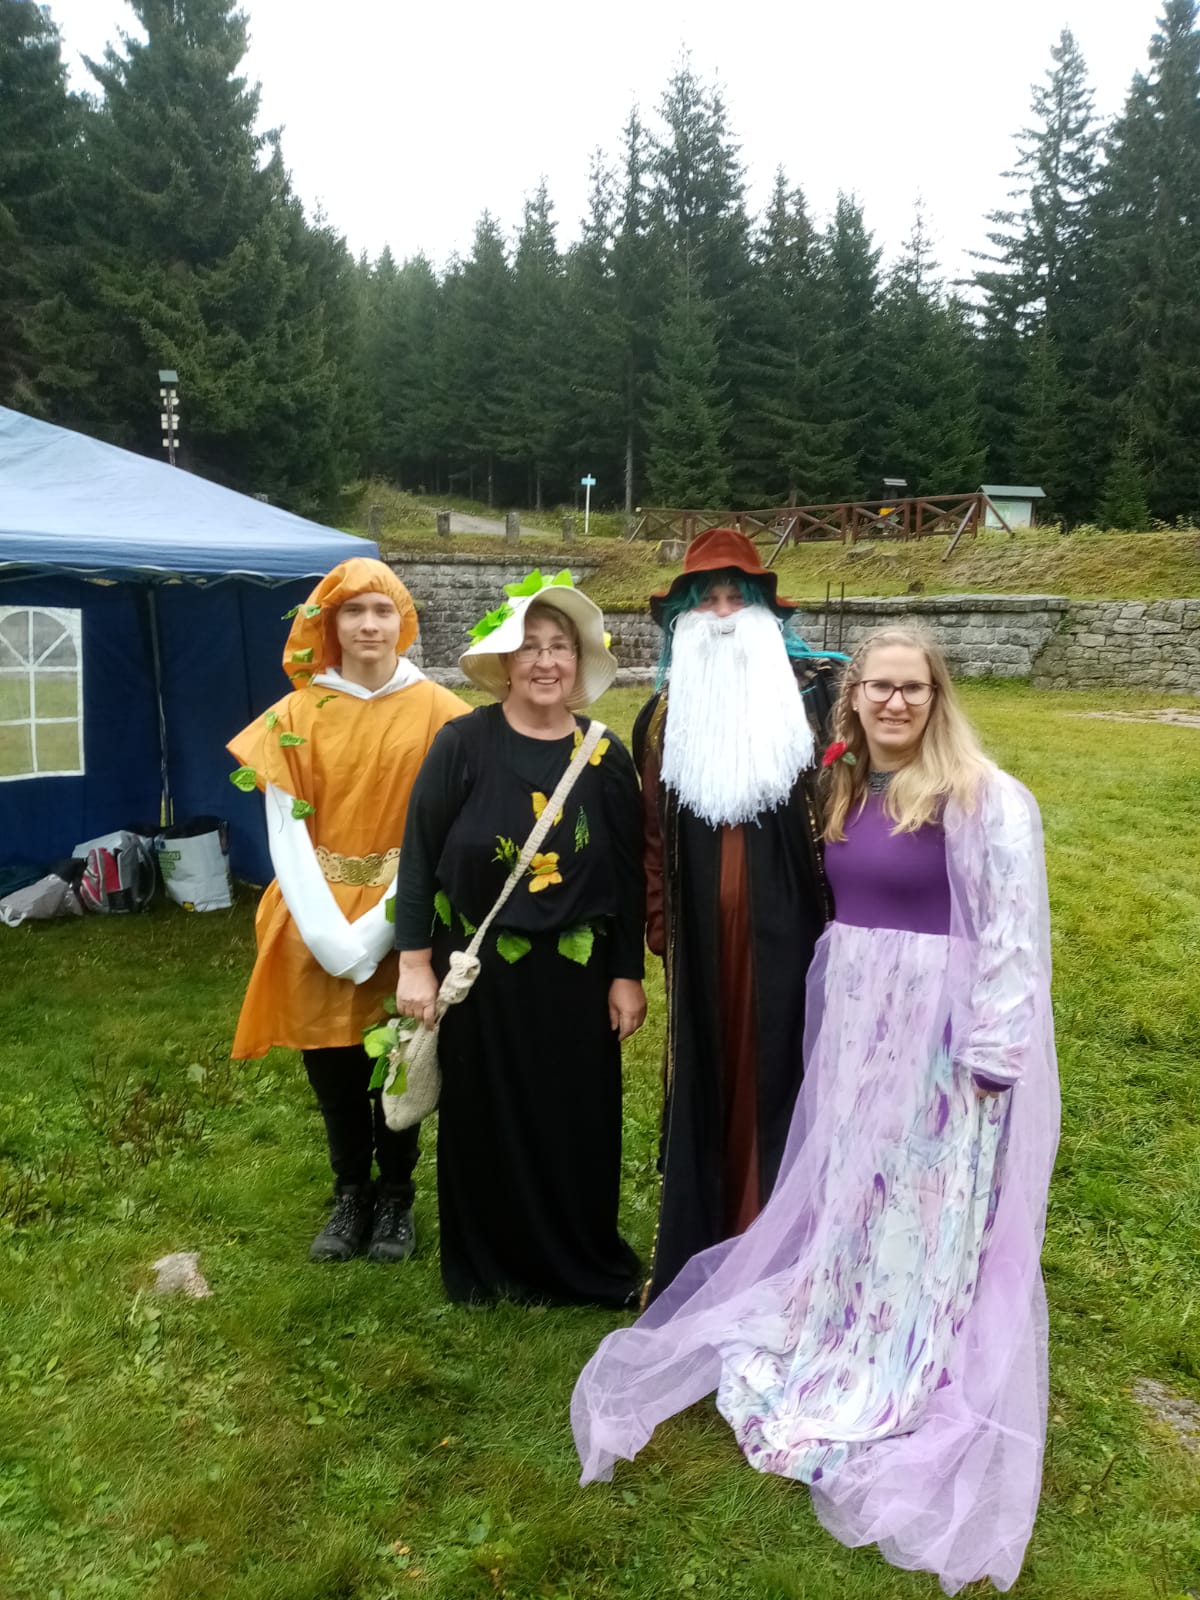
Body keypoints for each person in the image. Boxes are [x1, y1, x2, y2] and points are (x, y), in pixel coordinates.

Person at [572, 626, 1060, 1595]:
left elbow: (1011, 932)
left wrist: (993, 1052)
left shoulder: (982, 796)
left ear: (937, 697)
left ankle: (907, 1349)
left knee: (923, 1200)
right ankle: (846, 1320)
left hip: (941, 1035)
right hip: (859, 1022)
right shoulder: (843, 789)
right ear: (855, 697)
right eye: (879, 687)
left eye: (912, 688)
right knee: (855, 1185)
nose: (894, 703)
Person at [391, 570, 646, 1307]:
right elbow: (419, 857)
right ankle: (488, 1266)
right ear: (506, 661)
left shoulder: (604, 757)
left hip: (576, 979)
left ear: (578, 662)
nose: (545, 661)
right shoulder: (462, 744)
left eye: (559, 647)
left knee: (575, 1117)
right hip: (480, 974)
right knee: (484, 1117)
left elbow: (627, 877)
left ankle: (576, 1260)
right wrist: (414, 964)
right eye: (529, 646)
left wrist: (625, 973)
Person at [228, 557, 466, 1263]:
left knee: (402, 1058)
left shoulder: (442, 715)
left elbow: (446, 828)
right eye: (352, 611)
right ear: (327, 624)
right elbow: (286, 832)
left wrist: (387, 924)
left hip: (407, 916)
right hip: (313, 914)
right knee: (332, 1063)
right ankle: (350, 1192)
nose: (368, 625)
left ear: (403, 621)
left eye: (382, 610)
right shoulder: (296, 716)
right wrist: (330, 934)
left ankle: (396, 1197)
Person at [635, 528, 841, 1300]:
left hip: (796, 927)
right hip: (701, 938)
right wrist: (661, 923)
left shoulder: (816, 701)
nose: (722, 614)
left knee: (786, 1065)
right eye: (707, 600)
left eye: (736, 597)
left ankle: (781, 1237)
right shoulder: (661, 719)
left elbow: (854, 803)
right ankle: (712, 1231)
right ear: (683, 619)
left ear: (763, 610)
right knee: (711, 1069)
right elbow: (650, 836)